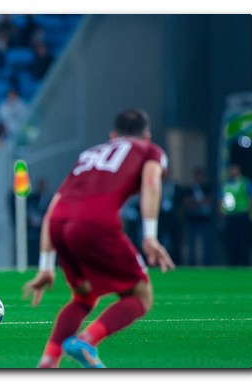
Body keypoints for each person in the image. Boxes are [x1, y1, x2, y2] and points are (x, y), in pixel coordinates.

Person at [22, 109, 175, 368]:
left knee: (84, 297)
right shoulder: (150, 151)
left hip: (59, 223)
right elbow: (151, 182)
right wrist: (150, 236)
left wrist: (46, 266)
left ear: (113, 135)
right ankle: (87, 340)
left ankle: (48, 361)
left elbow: (54, 206)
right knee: (140, 294)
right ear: (147, 135)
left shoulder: (89, 154)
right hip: (94, 223)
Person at [219, 163, 252, 266]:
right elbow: (221, 198)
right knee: (231, 242)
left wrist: (251, 213)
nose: (232, 171)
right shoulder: (226, 184)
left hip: (242, 215)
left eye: (234, 169)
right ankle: (233, 263)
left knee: (243, 241)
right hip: (230, 216)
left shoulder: (245, 182)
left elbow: (251, 198)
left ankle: (244, 263)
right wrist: (221, 211)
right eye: (231, 169)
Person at [182, 167, 214, 265]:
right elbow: (187, 202)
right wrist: (199, 203)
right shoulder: (190, 188)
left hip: (205, 219)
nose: (199, 178)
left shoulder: (207, 187)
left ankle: (207, 264)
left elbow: (209, 200)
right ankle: (191, 263)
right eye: (197, 175)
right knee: (191, 243)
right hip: (193, 218)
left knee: (206, 243)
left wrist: (197, 202)